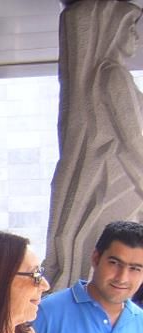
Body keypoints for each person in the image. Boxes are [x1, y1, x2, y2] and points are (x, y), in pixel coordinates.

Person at [43, 0, 143, 289]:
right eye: (130, 28)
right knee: (113, 249)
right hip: (119, 183)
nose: (136, 37)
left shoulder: (112, 74)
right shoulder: (113, 75)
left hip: (121, 181)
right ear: (112, 30)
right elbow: (133, 139)